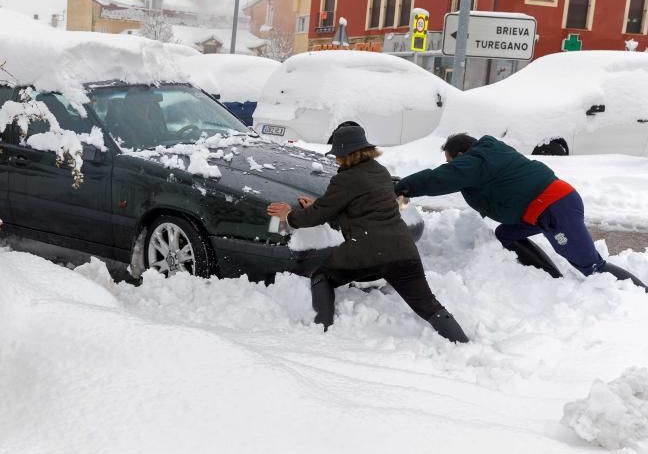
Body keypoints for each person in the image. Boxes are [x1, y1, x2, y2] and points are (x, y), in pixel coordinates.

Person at [267, 124, 469, 343]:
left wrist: (289, 215)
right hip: (402, 250)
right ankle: (462, 342)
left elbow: (316, 216)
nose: (336, 160)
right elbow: (355, 207)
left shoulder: (344, 179)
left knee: (322, 276)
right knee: (427, 304)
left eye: (338, 155)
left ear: (346, 154)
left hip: (365, 250)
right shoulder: (380, 172)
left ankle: (321, 330)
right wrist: (320, 205)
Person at [395, 133, 647, 290]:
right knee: (507, 234)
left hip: (555, 207)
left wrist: (401, 187)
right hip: (544, 208)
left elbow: (438, 178)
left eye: (452, 162)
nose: (453, 166)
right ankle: (550, 276)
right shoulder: (490, 153)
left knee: (592, 265)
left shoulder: (476, 161)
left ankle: (639, 296)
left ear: (461, 155)